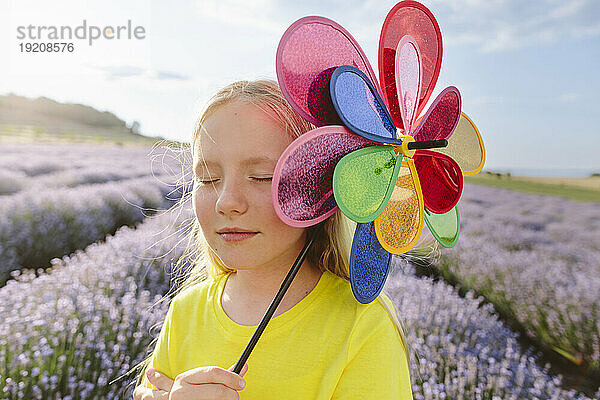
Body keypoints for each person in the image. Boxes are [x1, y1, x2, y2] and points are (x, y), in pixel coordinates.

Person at [132, 79, 414, 399]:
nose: (227, 202)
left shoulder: (363, 326)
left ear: (319, 191)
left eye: (262, 177)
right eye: (208, 178)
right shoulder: (185, 311)